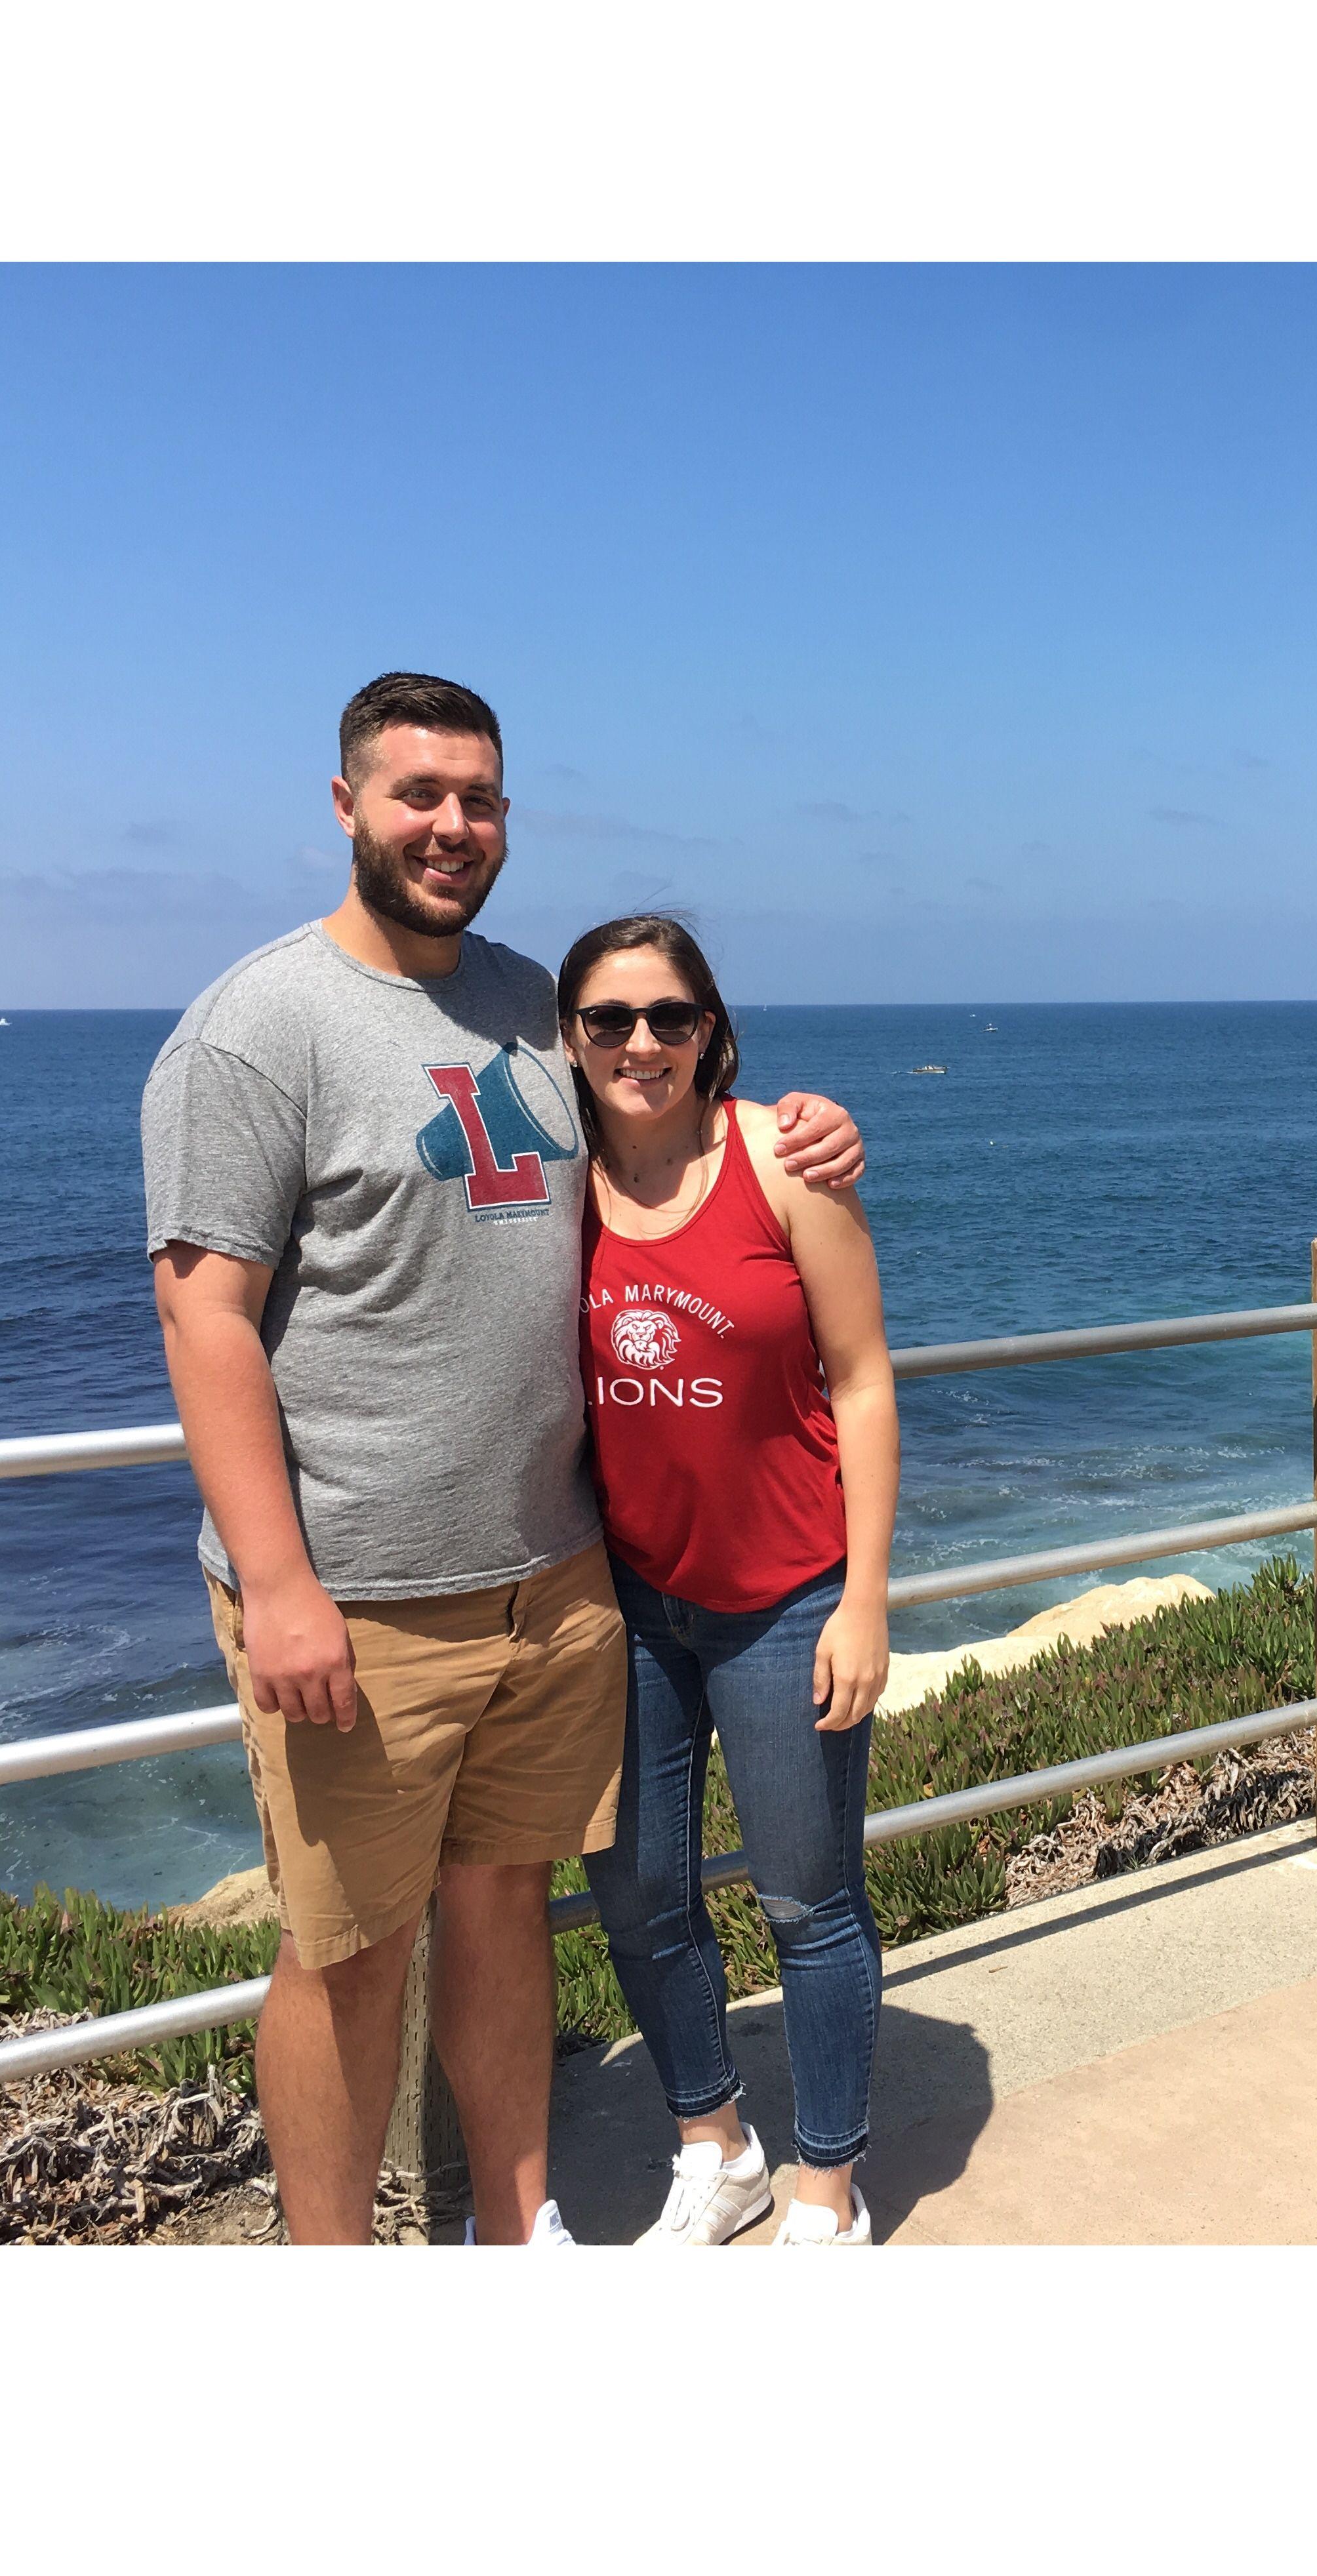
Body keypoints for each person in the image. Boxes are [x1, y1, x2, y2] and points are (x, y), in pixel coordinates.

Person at [143, 672, 865, 2247]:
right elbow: (203, 1316)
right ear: (347, 805)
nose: (450, 825)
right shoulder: (255, 1030)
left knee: (501, 1909)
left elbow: (666, 1125)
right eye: (418, 794)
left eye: (477, 798)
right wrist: (277, 1583)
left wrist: (804, 1125)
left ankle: (519, 2230)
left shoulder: (537, 1003)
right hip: (361, 1595)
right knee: (345, 1953)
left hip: (560, 1579)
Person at [561, 914, 897, 2246]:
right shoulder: (551, 1180)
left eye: (670, 1016)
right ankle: (717, 2147)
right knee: (640, 1899)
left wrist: (865, 1600)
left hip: (788, 1597)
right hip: (627, 1602)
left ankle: (827, 2190)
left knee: (808, 1903)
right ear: (570, 1040)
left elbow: (862, 1381)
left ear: (712, 1030)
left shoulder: (785, 1161)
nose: (641, 1042)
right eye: (609, 1019)